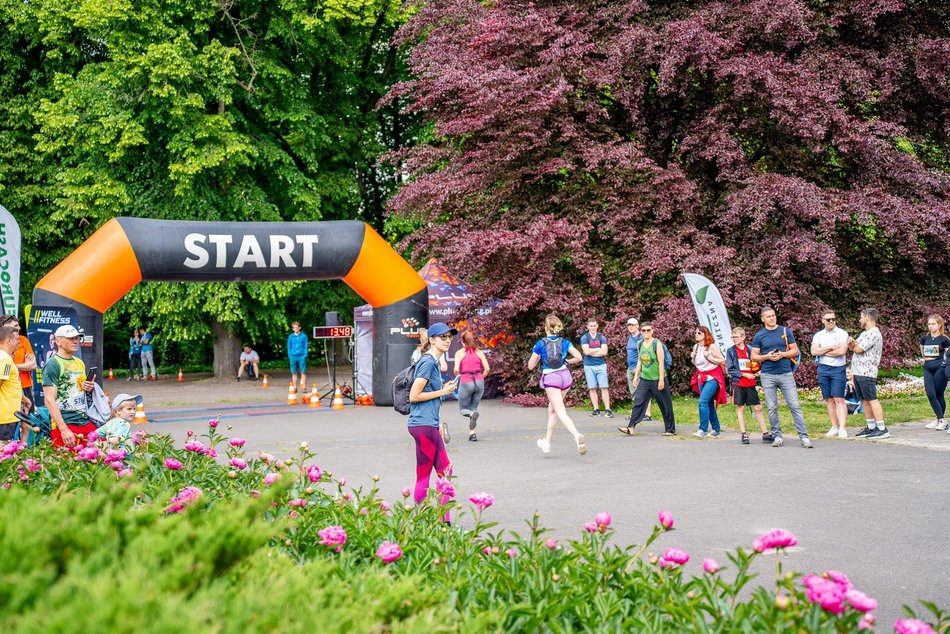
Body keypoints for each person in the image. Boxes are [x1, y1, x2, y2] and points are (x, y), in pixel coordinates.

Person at [407, 322, 458, 519]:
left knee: (446, 472)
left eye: (449, 337)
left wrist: (438, 423)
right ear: (432, 340)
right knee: (424, 476)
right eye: (442, 337)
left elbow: (429, 394)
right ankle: (422, 521)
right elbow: (414, 395)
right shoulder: (428, 362)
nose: (447, 340)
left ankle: (444, 522)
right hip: (422, 424)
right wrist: (443, 391)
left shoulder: (433, 362)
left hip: (429, 424)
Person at [751, 307, 812, 448]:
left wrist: (782, 355)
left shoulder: (785, 331)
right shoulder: (759, 335)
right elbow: (754, 356)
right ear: (763, 319)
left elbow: (795, 350)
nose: (772, 318)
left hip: (785, 374)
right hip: (767, 375)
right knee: (772, 407)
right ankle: (777, 436)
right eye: (768, 316)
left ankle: (804, 436)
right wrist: (767, 356)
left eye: (773, 315)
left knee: (795, 405)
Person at [528, 314, 587, 455]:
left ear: (546, 327)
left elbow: (530, 366)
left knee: (560, 411)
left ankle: (576, 435)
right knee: (553, 410)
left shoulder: (540, 343)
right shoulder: (565, 342)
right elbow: (579, 357)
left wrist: (538, 358)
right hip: (565, 376)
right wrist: (567, 361)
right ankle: (546, 443)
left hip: (551, 378)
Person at [42, 325, 97, 448]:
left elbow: (78, 389)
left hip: (83, 419)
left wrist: (87, 387)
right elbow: (49, 400)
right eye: (70, 338)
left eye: (77, 338)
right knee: (68, 464)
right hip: (65, 422)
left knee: (100, 455)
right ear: (58, 341)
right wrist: (63, 429)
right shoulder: (53, 364)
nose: (75, 341)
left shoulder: (79, 362)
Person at [618, 321, 675, 436]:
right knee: (638, 402)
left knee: (665, 404)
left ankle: (670, 429)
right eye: (643, 330)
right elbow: (640, 360)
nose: (646, 332)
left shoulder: (657, 344)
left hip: (657, 378)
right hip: (645, 379)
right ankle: (631, 427)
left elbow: (661, 363)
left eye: (648, 330)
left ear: (652, 331)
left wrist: (661, 380)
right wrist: (636, 376)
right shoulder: (639, 344)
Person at [726, 327, 770, 444]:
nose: (734, 339)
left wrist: (758, 371)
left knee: (758, 408)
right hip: (739, 383)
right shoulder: (730, 351)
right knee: (741, 408)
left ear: (743, 337)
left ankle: (765, 433)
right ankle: (743, 434)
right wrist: (744, 374)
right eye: (733, 337)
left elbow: (756, 364)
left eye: (736, 337)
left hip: (751, 383)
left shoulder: (750, 349)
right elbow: (730, 369)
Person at [848, 308, 887, 439]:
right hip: (858, 371)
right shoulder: (865, 333)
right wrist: (852, 344)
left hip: (867, 372)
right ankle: (871, 427)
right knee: (864, 400)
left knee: (872, 399)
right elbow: (852, 346)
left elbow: (858, 349)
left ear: (867, 318)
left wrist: (853, 345)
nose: (860, 320)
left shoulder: (874, 333)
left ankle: (882, 428)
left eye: (861, 317)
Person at [810, 310, 850, 438]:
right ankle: (834, 426)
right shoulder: (818, 335)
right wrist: (830, 347)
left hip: (838, 368)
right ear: (823, 321)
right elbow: (813, 351)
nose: (831, 321)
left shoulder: (842, 333)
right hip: (823, 368)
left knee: (839, 398)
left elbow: (841, 351)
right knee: (829, 399)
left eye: (833, 319)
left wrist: (822, 351)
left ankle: (842, 428)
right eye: (828, 320)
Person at [690, 325, 727, 438]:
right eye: (695, 333)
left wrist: (710, 357)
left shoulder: (711, 347)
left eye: (699, 333)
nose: (696, 335)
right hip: (702, 376)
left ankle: (703, 429)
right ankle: (716, 429)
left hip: (713, 377)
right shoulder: (696, 347)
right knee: (709, 403)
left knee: (703, 401)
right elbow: (696, 363)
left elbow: (722, 360)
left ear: (706, 335)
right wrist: (692, 357)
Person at [1, 317, 32, 446]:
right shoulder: (5, 359)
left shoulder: (5, 358)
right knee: (4, 453)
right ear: (9, 340)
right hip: (5, 417)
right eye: (17, 339)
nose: (19, 342)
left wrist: (24, 399)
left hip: (7, 416)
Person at [453, 330, 489, 442]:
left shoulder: (459, 353)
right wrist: (481, 377)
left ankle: (472, 415)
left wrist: (457, 375)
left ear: (463, 342)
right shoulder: (479, 352)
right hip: (479, 381)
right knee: (474, 408)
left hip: (466, 381)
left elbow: (456, 370)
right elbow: (487, 369)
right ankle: (472, 434)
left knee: (464, 409)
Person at [921, 315, 950, 431]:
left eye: (933, 324)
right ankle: (941, 419)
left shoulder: (944, 339)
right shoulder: (924, 338)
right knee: (930, 394)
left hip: (940, 368)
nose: (931, 326)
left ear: (939, 325)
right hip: (927, 367)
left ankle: (941, 420)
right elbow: (923, 352)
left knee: (939, 394)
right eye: (929, 324)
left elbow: (948, 356)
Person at [580, 318, 612, 418]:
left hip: (601, 365)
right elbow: (586, 352)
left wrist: (591, 351)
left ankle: (607, 410)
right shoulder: (584, 337)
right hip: (589, 366)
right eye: (591, 326)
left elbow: (604, 352)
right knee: (592, 388)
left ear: (597, 326)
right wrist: (598, 349)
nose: (593, 327)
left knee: (604, 388)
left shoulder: (602, 337)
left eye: (594, 325)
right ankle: (596, 409)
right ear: (588, 326)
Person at [624, 318, 652, 421]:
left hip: (639, 368)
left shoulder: (641, 338)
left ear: (637, 326)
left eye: (633, 325)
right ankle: (636, 413)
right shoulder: (630, 337)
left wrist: (640, 369)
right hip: (630, 368)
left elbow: (643, 354)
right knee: (634, 392)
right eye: (629, 325)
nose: (630, 327)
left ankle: (647, 414)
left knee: (643, 391)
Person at [14, 333, 36, 414]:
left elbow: (33, 365)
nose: (18, 328)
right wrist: (24, 366)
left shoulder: (23, 339)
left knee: (29, 416)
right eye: (15, 325)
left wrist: (13, 366)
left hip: (25, 385)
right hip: (10, 386)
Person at [287, 322, 309, 392]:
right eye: (294, 327)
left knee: (303, 372)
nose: (295, 329)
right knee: (294, 372)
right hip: (293, 356)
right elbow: (289, 347)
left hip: (302, 356)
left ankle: (304, 387)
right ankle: (294, 387)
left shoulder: (304, 336)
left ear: (299, 328)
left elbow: (306, 346)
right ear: (292, 329)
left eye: (296, 327)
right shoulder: (290, 336)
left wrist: (305, 355)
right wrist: (290, 355)